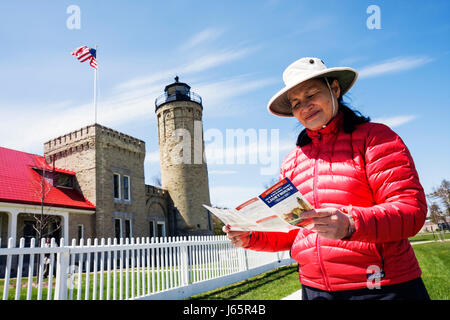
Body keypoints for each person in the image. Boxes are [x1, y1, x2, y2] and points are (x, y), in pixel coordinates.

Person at [223, 57, 430, 300]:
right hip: (315, 290)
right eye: (296, 103)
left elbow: (411, 211)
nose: (305, 106)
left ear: (334, 89)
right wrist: (251, 237)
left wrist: (351, 223)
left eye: (311, 94)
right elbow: (296, 230)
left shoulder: (376, 138)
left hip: (381, 286)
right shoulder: (292, 161)